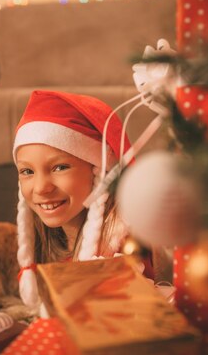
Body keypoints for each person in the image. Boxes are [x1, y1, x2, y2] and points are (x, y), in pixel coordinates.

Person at [13, 90, 151, 309]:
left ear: (99, 172)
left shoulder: (128, 249)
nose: (41, 188)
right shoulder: (45, 243)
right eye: (27, 171)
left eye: (60, 167)